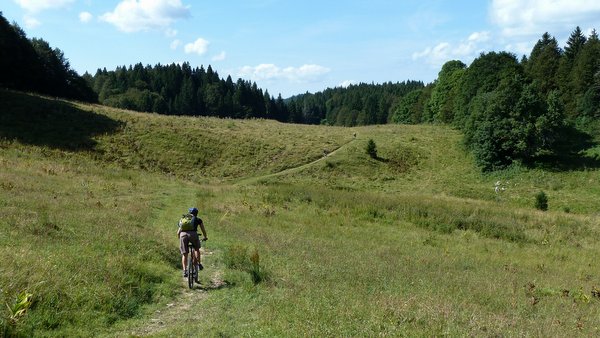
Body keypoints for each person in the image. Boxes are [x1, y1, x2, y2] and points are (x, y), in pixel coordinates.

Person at [177, 207, 208, 280]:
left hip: (183, 235)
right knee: (196, 249)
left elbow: (178, 232)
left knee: (184, 254)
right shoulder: (198, 219)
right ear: (196, 213)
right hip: (193, 235)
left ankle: (185, 271)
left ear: (189, 212)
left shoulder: (184, 220)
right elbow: (203, 230)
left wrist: (180, 238)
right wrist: (205, 237)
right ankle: (199, 264)